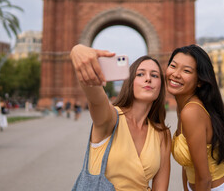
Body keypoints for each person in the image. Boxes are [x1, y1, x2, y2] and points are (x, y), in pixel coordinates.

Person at [70, 44, 171, 190]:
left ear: (161, 85)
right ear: (130, 81)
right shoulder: (111, 118)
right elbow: (96, 98)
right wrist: (78, 51)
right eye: (140, 74)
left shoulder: (162, 133)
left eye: (154, 75)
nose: (148, 79)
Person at [167, 45, 224, 191]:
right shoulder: (186, 106)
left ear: (199, 81)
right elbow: (188, 165)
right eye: (173, 66)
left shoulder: (191, 112)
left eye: (186, 70)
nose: (175, 74)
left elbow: (205, 179)